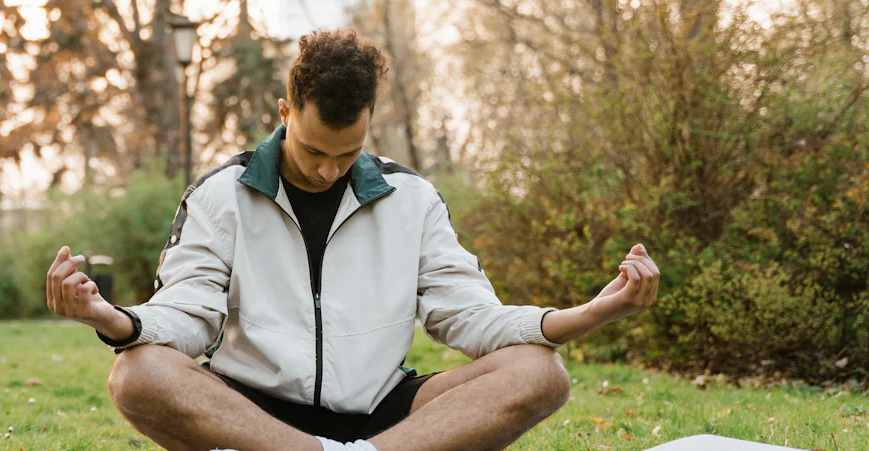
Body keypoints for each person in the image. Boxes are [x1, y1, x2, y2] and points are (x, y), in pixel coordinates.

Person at [46, 29, 661, 451]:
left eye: (348, 152)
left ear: (370, 121)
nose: (326, 170)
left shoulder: (412, 199)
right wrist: (116, 320)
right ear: (285, 111)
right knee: (137, 374)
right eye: (314, 149)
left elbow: (470, 316)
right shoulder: (220, 196)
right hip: (254, 413)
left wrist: (587, 314)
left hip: (385, 414)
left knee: (541, 372)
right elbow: (188, 315)